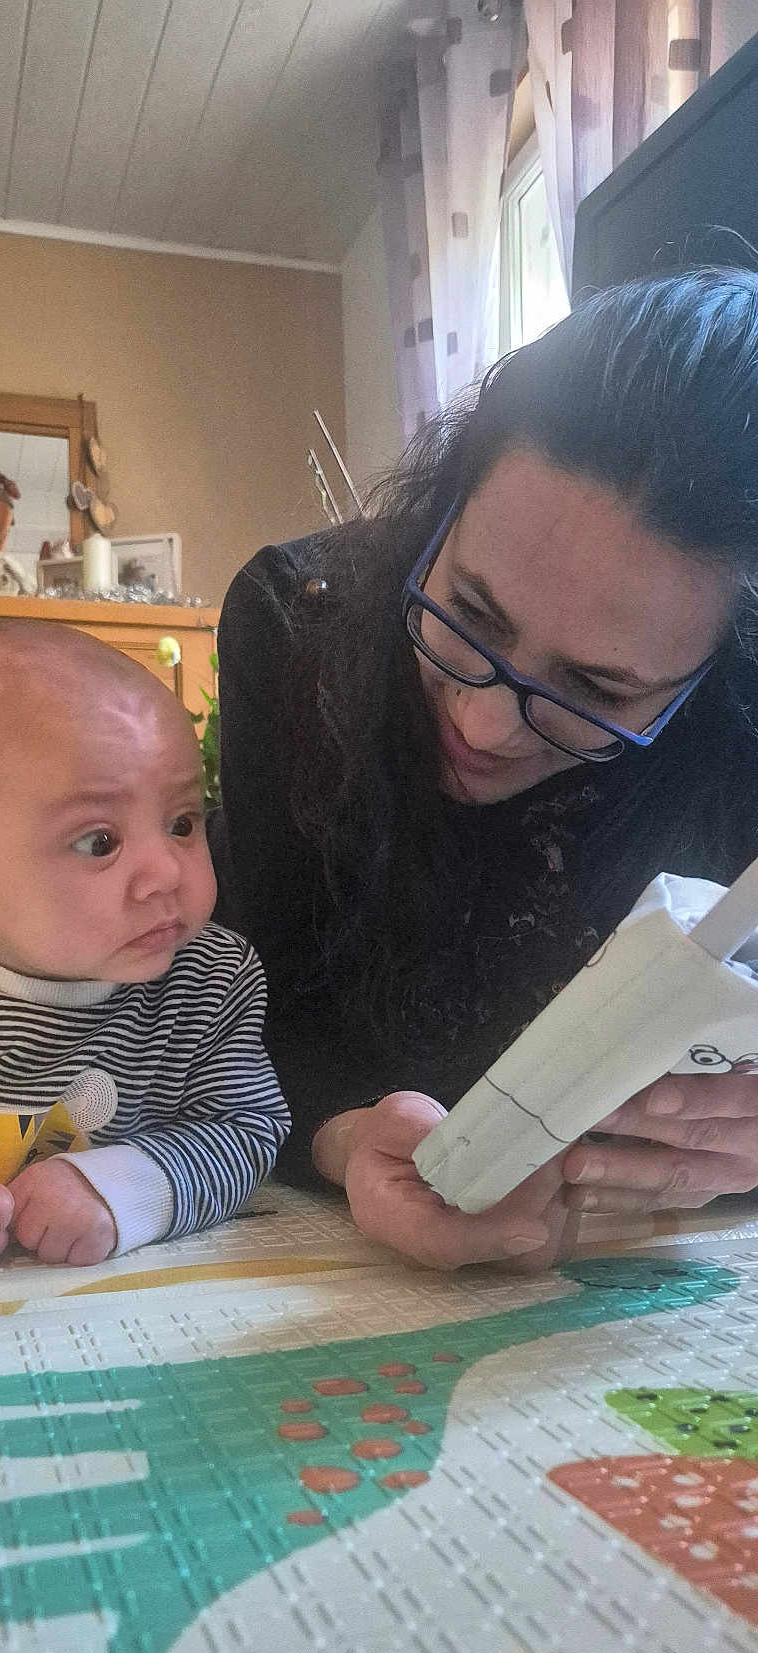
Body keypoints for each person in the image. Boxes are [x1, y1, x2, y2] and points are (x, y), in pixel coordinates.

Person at [215, 265, 758, 1270]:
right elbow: (249, 1000)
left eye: (595, 687)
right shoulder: (295, 623)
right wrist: (343, 1139)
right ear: (442, 495)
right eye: (467, 614)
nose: (480, 721)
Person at [0, 621, 289, 1290]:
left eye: (182, 822)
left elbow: (245, 1129)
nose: (164, 873)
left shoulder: (210, 979)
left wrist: (119, 1190)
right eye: (99, 842)